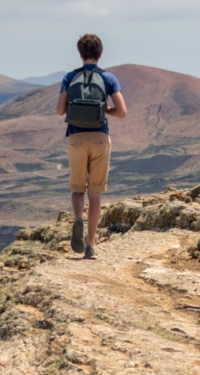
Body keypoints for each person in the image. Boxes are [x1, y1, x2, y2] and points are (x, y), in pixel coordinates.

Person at [56, 34, 127, 259]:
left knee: (78, 189)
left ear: (80, 54)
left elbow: (60, 110)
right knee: (95, 193)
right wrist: (104, 110)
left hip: (76, 138)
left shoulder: (70, 77)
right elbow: (122, 111)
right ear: (100, 53)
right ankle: (90, 245)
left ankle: (78, 219)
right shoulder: (109, 78)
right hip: (99, 138)